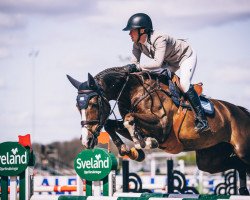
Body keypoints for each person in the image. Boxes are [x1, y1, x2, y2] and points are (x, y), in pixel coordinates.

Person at [123, 13, 209, 133]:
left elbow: (157, 63)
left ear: (142, 30)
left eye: (132, 31)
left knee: (184, 83)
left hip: (185, 57)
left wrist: (137, 67)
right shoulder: (137, 44)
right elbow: (133, 64)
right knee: (155, 79)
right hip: (169, 62)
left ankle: (202, 119)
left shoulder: (159, 39)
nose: (129, 34)